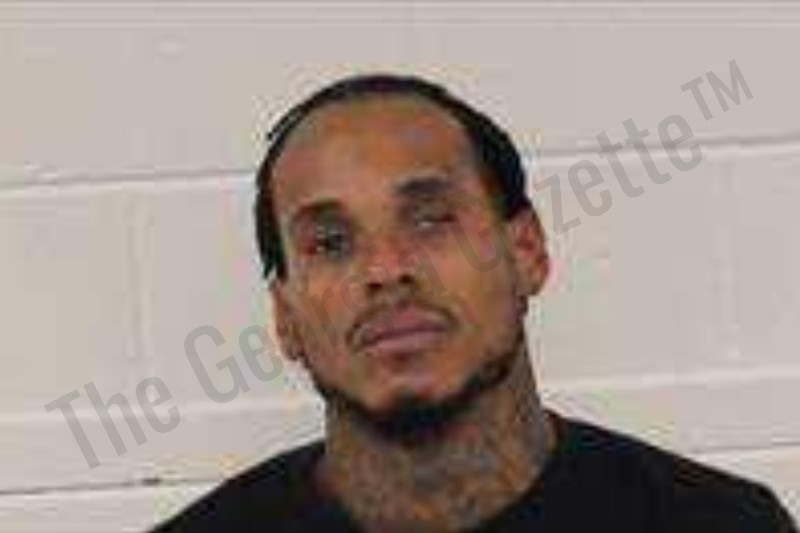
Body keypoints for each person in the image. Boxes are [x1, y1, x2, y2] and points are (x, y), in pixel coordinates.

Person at [151, 74, 797, 532]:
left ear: (526, 252)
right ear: (285, 317)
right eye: (330, 243)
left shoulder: (720, 524)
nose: (385, 269)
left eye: (430, 219)